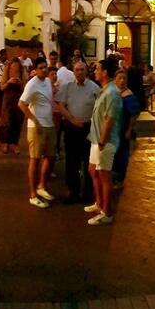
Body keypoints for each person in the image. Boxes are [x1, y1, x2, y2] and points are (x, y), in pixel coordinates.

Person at [54, 61, 99, 204]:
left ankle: (88, 193)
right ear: (73, 72)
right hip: (72, 128)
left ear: (87, 71)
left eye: (82, 69)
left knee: (88, 161)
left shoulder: (94, 87)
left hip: (88, 128)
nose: (80, 72)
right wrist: (72, 120)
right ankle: (73, 192)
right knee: (72, 161)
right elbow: (60, 105)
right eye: (77, 70)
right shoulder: (67, 87)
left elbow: (100, 107)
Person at [85, 58, 123, 226]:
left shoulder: (112, 92)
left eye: (97, 69)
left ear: (105, 72)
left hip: (105, 141)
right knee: (93, 170)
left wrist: (102, 141)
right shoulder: (104, 90)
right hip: (96, 139)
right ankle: (99, 203)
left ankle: (106, 212)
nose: (95, 71)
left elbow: (110, 119)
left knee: (104, 175)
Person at [18, 59, 57, 209]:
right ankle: (33, 194)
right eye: (41, 68)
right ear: (35, 69)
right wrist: (34, 119)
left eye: (45, 67)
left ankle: (42, 185)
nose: (44, 70)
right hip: (37, 127)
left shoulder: (47, 81)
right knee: (35, 159)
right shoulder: (32, 84)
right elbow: (21, 104)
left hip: (49, 124)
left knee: (50, 156)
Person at [112, 66, 143, 188]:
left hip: (123, 129)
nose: (122, 81)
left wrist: (129, 129)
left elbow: (134, 114)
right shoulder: (113, 92)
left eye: (124, 78)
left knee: (122, 154)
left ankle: (120, 179)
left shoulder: (128, 95)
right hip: (113, 129)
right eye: (119, 78)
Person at [0, 58, 25, 155]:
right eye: (14, 66)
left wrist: (20, 83)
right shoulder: (6, 72)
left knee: (17, 121)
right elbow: (2, 87)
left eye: (17, 67)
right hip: (8, 99)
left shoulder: (22, 73)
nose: (15, 69)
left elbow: (25, 87)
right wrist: (9, 82)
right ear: (10, 66)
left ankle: (14, 144)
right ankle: (5, 143)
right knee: (7, 122)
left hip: (18, 99)